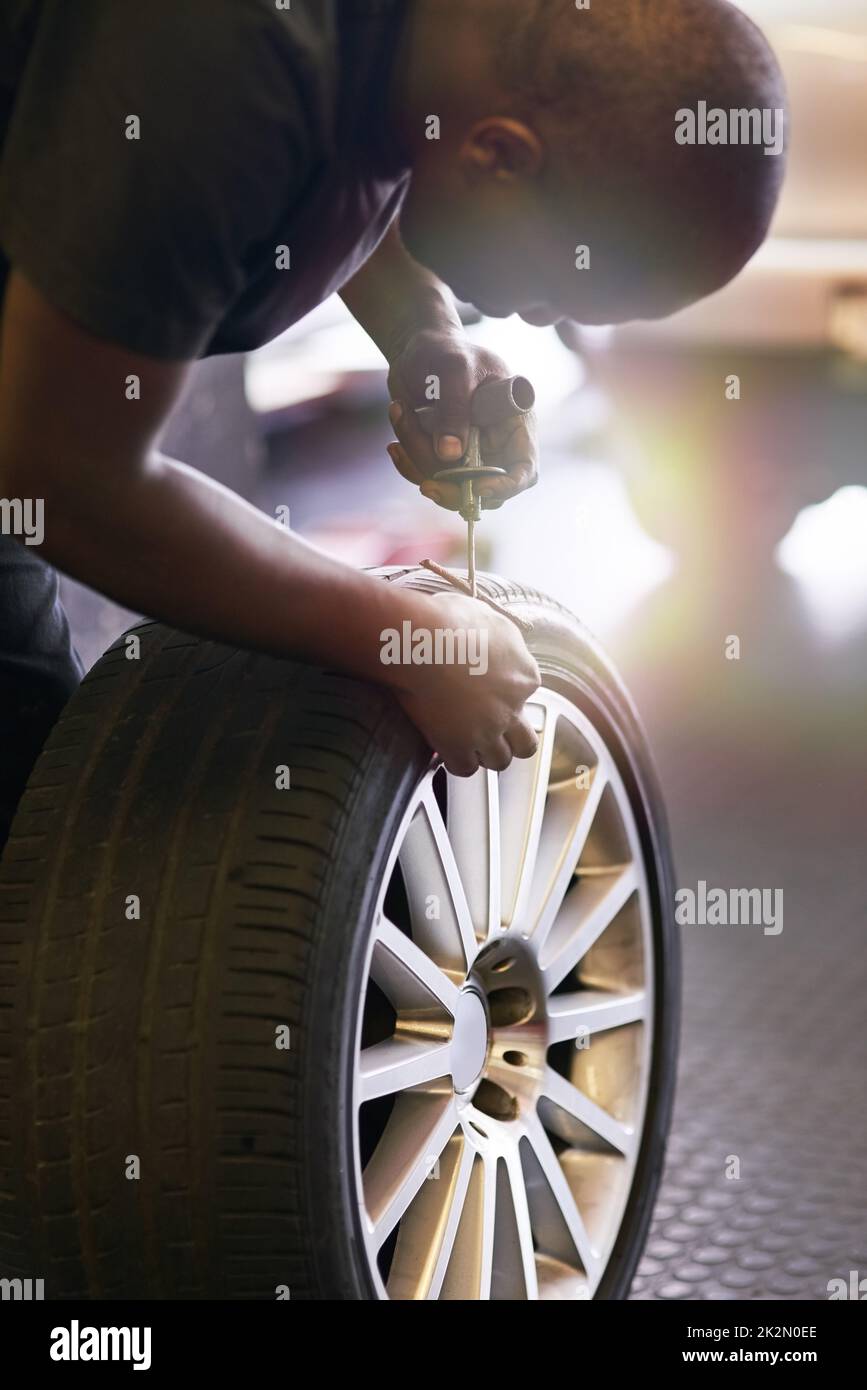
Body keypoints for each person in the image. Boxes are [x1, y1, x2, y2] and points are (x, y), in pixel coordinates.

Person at [0, 0, 786, 843]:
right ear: (498, 155)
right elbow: (60, 473)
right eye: (549, 290)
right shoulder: (220, 63)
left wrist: (423, 331)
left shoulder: (430, 48)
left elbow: (356, 143)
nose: (529, 319)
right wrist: (406, 637)